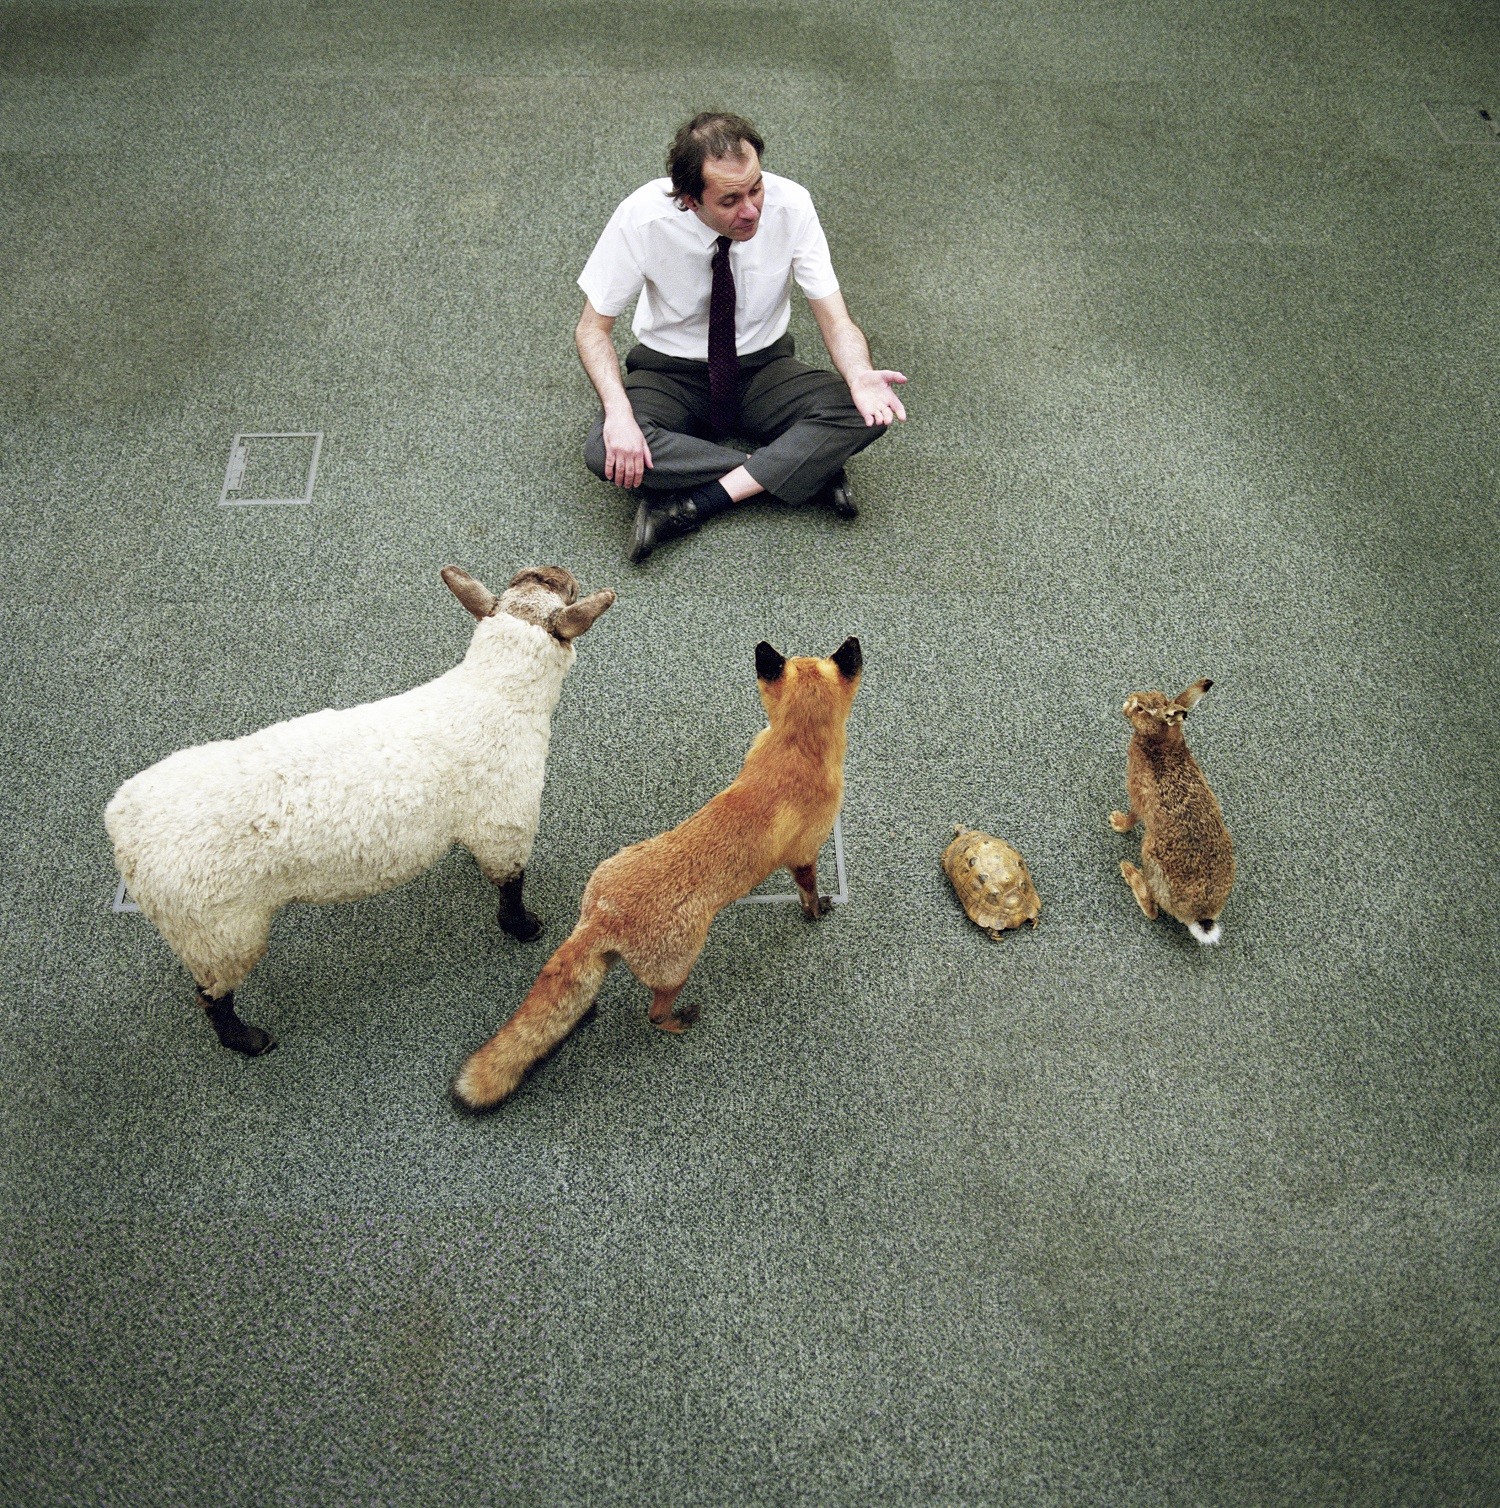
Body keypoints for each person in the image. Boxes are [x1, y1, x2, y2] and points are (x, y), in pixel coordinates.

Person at [576, 112, 907, 562]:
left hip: (764, 367)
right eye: (730, 200)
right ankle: (800, 469)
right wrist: (619, 415)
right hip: (669, 373)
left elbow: (835, 320)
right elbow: (592, 330)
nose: (751, 210)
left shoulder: (792, 205)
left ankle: (701, 501)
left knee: (869, 409)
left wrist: (860, 374)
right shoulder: (642, 217)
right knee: (605, 449)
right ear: (691, 200)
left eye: (756, 188)